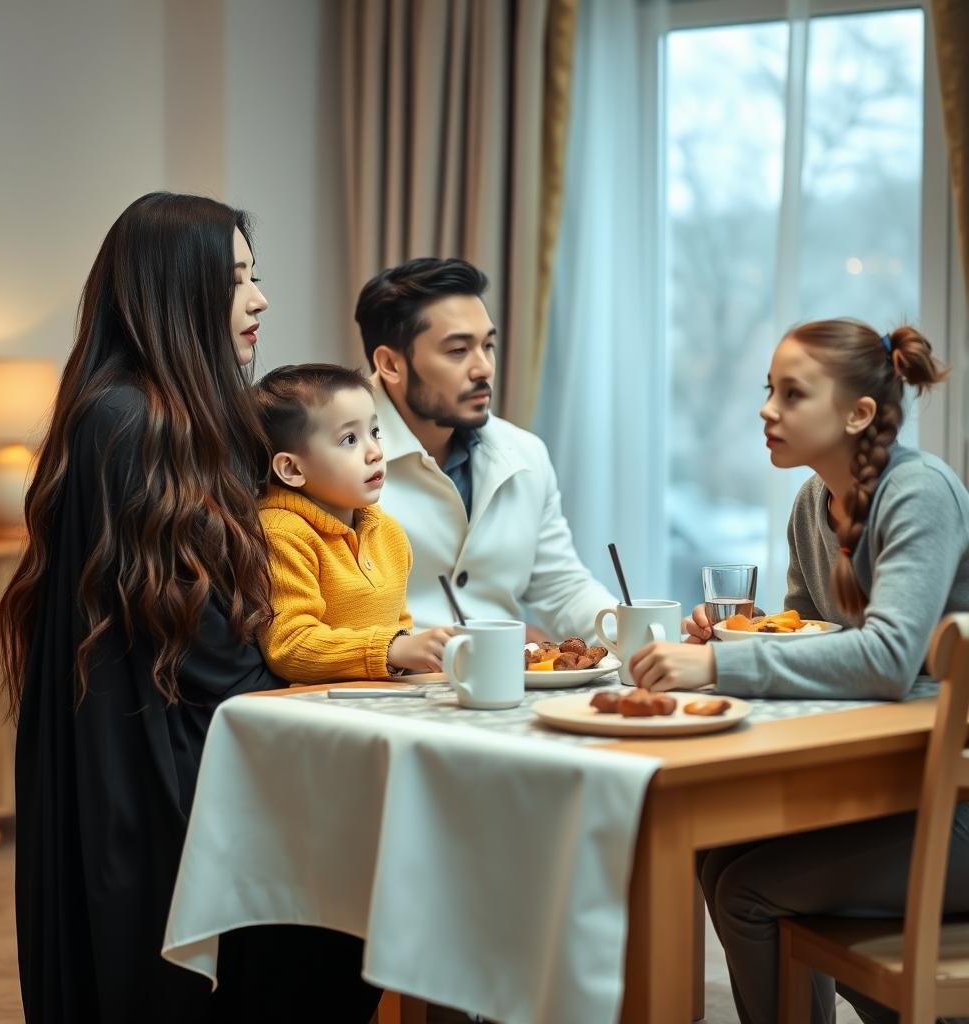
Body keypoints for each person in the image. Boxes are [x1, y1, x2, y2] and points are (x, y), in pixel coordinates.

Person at [0, 193, 382, 1024]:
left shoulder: (183, 418)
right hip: (149, 769)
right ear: (178, 293)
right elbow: (203, 641)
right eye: (236, 279)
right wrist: (330, 654)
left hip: (189, 748)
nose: (260, 299)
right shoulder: (125, 420)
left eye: (257, 276)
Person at [629, 318, 969, 1023]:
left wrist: (719, 661)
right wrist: (738, 637)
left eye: (792, 394)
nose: (766, 409)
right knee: (717, 848)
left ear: (858, 413)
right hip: (901, 780)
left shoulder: (919, 494)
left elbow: (885, 659)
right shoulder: (813, 504)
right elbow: (803, 641)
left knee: (747, 891)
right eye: (768, 390)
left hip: (955, 803)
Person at [353, 257, 618, 643]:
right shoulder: (331, 457)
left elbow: (563, 591)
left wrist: (644, 639)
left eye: (488, 346)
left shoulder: (525, 454)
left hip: (504, 686)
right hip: (380, 689)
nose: (484, 369)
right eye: (458, 351)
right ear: (390, 364)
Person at [253, 363, 455, 681]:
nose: (375, 452)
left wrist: (432, 653)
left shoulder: (389, 533)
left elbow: (400, 628)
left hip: (383, 704)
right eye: (349, 439)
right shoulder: (281, 534)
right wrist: (392, 650)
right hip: (317, 714)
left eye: (374, 432)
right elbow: (290, 646)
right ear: (291, 469)